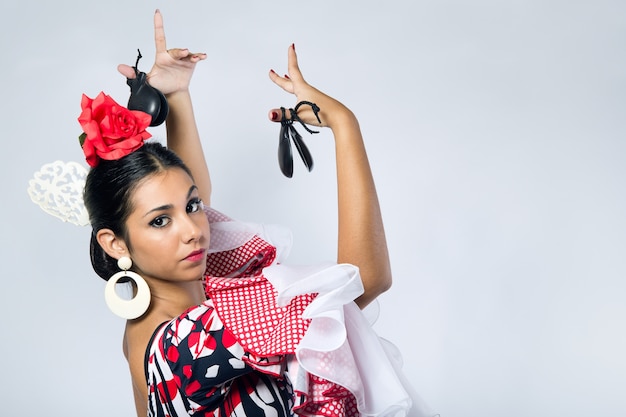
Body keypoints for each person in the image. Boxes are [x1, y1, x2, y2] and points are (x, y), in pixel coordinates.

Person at [77, 9, 434, 417]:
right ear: (114, 241)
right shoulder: (189, 342)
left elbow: (194, 194)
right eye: (160, 221)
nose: (194, 230)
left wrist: (176, 95)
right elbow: (365, 278)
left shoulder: (161, 321)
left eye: (191, 208)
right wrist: (344, 124)